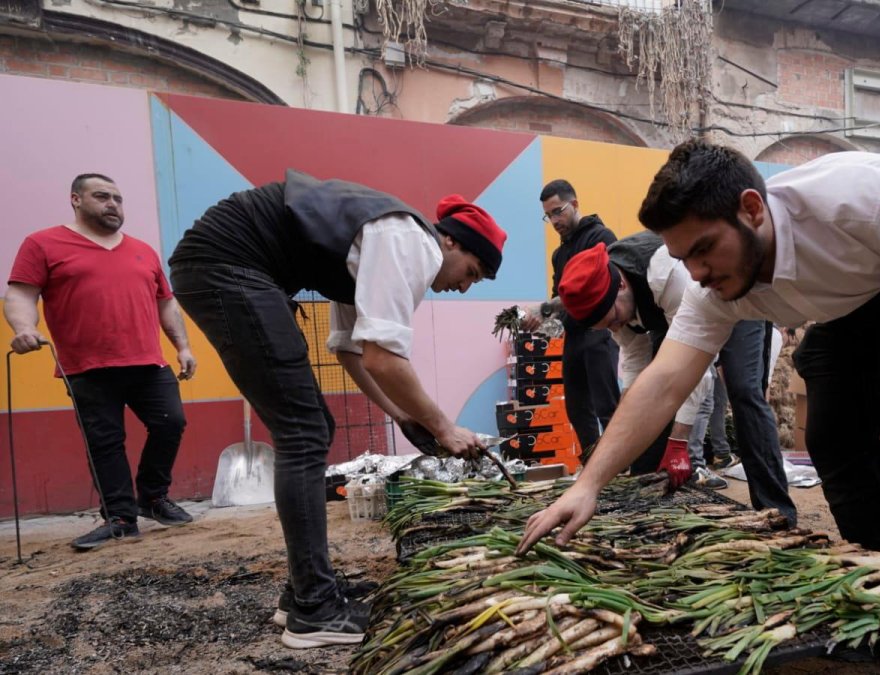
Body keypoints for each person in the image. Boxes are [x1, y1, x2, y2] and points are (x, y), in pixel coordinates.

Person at [520, 142, 880, 673]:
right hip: (861, 305)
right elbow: (662, 382)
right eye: (685, 260)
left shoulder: (865, 197)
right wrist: (587, 485)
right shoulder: (712, 285)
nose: (699, 274)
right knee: (838, 442)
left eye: (705, 250)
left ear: (752, 208)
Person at [168, 170, 506, 649]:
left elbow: (352, 350)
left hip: (226, 265)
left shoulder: (379, 241)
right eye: (472, 272)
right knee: (304, 433)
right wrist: (444, 427)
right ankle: (314, 610)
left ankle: (306, 592)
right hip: (229, 264)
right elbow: (384, 357)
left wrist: (404, 416)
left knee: (309, 428)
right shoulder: (410, 242)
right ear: (449, 241)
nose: (465, 287)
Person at [5, 174, 196, 551]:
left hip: (147, 362)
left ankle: (153, 497)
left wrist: (184, 348)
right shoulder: (43, 243)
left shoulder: (143, 250)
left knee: (171, 423)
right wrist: (24, 328)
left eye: (118, 199)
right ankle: (121, 519)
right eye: (102, 196)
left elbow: (166, 303)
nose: (113, 204)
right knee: (105, 443)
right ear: (76, 199)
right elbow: (21, 294)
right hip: (85, 366)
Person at [557, 236, 795, 516]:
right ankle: (644, 501)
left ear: (620, 284)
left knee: (743, 390)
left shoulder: (664, 272)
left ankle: (776, 510)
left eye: (614, 319)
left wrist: (679, 443)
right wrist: (621, 433)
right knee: (654, 390)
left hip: (735, 295)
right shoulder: (613, 305)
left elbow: (698, 369)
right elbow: (637, 369)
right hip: (676, 314)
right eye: (608, 326)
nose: (616, 326)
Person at [521, 180, 620, 451]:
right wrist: (541, 323)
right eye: (548, 215)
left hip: (599, 331)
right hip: (574, 337)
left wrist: (545, 309)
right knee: (576, 409)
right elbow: (559, 297)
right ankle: (593, 466)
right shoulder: (559, 254)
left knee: (607, 408)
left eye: (558, 211)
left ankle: (620, 467)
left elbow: (596, 288)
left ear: (574, 205)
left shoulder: (601, 237)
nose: (554, 220)